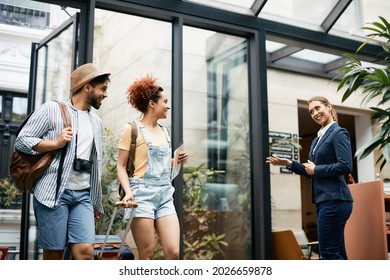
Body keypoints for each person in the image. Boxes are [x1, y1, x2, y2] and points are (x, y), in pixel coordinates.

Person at [15, 63, 111, 260]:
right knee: (54, 254)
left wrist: (95, 200)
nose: (105, 94)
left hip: (83, 195)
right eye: (103, 89)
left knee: (85, 252)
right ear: (87, 87)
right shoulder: (52, 109)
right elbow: (22, 141)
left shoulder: (96, 122)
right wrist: (55, 143)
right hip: (53, 195)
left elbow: (95, 162)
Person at [266, 96, 353, 260]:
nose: (315, 113)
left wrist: (317, 169)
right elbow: (309, 171)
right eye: (311, 111)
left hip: (335, 199)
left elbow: (345, 166)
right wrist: (289, 163)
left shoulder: (338, 132)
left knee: (328, 253)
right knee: (338, 253)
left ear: (328, 107)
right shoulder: (316, 140)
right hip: (324, 200)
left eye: (318, 108)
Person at [117, 74, 188, 260]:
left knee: (173, 253)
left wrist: (177, 160)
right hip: (141, 195)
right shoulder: (131, 129)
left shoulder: (165, 131)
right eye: (165, 101)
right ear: (152, 104)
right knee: (147, 254)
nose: (168, 105)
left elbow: (164, 169)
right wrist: (128, 192)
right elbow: (121, 166)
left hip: (164, 194)